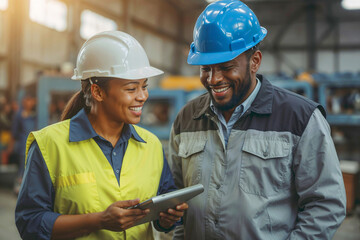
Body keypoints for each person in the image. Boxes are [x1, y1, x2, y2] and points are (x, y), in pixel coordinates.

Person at [168, 1, 346, 239]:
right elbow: (176, 201)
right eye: (205, 68)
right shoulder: (187, 119)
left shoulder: (299, 118)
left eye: (226, 67)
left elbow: (326, 205)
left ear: (255, 61)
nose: (213, 79)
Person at [15, 31, 188, 240]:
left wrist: (168, 218)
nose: (143, 96)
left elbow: (163, 210)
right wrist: (98, 221)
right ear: (97, 92)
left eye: (144, 86)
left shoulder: (151, 145)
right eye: (131, 88)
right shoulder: (49, 145)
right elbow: (30, 222)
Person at [8, 86, 37, 194]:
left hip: (32, 145)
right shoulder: (18, 115)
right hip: (22, 146)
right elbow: (14, 133)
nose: (29, 103)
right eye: (27, 100)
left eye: (31, 100)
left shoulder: (34, 115)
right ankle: (19, 186)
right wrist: (10, 148)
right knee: (22, 166)